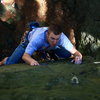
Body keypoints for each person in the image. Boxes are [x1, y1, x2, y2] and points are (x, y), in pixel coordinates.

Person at [0, 22, 82, 66]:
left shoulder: (62, 37)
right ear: (47, 35)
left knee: (67, 54)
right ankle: (4, 61)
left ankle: (49, 50)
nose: (55, 41)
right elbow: (25, 56)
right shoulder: (38, 39)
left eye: (57, 39)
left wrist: (78, 57)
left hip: (48, 46)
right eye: (52, 38)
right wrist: (31, 61)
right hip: (28, 40)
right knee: (10, 63)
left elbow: (75, 52)